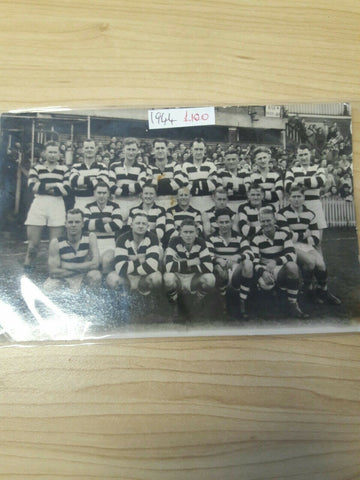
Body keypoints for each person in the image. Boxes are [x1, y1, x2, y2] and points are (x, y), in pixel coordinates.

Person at [276, 185, 341, 305]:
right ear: (289, 198)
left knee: (321, 264)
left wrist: (299, 235)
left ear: (304, 197)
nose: (296, 199)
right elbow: (287, 236)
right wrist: (306, 234)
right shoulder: (282, 213)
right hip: (290, 246)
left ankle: (323, 291)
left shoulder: (310, 214)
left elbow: (316, 238)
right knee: (310, 262)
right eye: (293, 196)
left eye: (299, 196)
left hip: (306, 245)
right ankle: (308, 290)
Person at [251, 207, 309, 319]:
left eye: (269, 220)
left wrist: (275, 261)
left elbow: (292, 255)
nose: (266, 223)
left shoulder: (283, 234)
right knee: (267, 286)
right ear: (259, 222)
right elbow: (254, 260)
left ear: (274, 220)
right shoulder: (255, 238)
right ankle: (273, 297)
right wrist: (263, 272)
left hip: (280, 268)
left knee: (292, 266)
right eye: (263, 221)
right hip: (266, 270)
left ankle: (293, 304)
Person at [24, 141, 70, 273]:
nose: (52, 155)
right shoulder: (36, 168)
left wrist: (43, 186)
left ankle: (52, 274)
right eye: (50, 152)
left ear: (59, 154)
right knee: (33, 246)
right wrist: (56, 185)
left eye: (55, 152)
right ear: (44, 153)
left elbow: (66, 190)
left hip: (57, 204)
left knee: (54, 245)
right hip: (39, 204)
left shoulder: (64, 169)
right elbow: (32, 187)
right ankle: (27, 273)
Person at [164, 219, 215, 317]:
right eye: (185, 232)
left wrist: (180, 263)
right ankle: (174, 305)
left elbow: (209, 267)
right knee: (168, 278)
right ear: (180, 233)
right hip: (177, 277)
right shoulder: (174, 241)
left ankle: (197, 302)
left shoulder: (200, 242)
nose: (188, 235)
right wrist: (191, 262)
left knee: (210, 278)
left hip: (193, 278)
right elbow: (169, 266)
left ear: (196, 233)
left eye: (191, 232)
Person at [43, 208, 101, 293]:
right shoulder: (56, 242)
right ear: (65, 224)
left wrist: (66, 265)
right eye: (70, 222)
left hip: (80, 276)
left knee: (95, 275)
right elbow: (53, 272)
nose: (73, 225)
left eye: (77, 222)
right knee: (50, 287)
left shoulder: (90, 237)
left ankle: (89, 304)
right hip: (64, 277)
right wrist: (85, 266)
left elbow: (95, 264)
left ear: (82, 224)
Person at [209, 209, 254, 317]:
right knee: (218, 268)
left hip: (235, 273)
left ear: (231, 223)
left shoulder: (239, 237)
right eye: (221, 222)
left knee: (248, 264)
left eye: (227, 222)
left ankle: (242, 302)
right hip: (220, 270)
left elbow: (250, 254)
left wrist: (239, 257)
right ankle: (223, 301)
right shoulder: (211, 238)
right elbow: (207, 256)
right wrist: (219, 260)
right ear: (216, 223)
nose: (224, 225)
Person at [107, 212, 162, 296]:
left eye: (144, 224)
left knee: (156, 278)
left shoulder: (153, 238)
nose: (140, 226)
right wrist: (141, 260)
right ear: (131, 225)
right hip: (127, 277)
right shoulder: (122, 239)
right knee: (112, 278)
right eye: (138, 223)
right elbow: (120, 268)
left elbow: (152, 265)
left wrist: (132, 261)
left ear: (147, 227)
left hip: (144, 277)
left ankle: (151, 302)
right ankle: (122, 300)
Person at [285, 144, 327, 235]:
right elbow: (288, 187)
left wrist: (298, 181)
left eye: (305, 154)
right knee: (299, 240)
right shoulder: (292, 170)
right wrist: (312, 181)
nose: (303, 158)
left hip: (315, 205)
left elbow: (321, 181)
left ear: (310, 154)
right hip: (298, 206)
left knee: (317, 242)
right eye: (300, 155)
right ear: (297, 156)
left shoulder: (318, 168)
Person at [83, 182, 124, 274]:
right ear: (94, 193)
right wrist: (103, 220)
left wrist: (94, 225)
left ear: (109, 194)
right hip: (93, 244)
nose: (101, 196)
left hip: (109, 244)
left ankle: (107, 284)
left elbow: (117, 225)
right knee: (93, 267)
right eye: (99, 193)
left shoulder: (114, 206)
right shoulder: (88, 207)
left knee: (107, 261)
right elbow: (85, 225)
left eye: (104, 193)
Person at [109, 137, 149, 215]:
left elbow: (141, 185)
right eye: (128, 149)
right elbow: (111, 186)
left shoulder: (142, 166)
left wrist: (122, 187)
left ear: (137, 151)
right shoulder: (114, 166)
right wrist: (128, 190)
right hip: (118, 203)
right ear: (124, 150)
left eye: (133, 150)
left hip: (136, 204)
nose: (131, 153)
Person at [175, 137, 217, 212]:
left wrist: (193, 184)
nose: (198, 152)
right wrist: (205, 182)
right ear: (191, 150)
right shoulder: (186, 166)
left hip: (209, 204)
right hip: (192, 204)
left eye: (201, 149)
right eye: (196, 149)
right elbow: (185, 186)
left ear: (204, 150)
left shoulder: (210, 165)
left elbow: (213, 185)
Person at [69, 138, 109, 211]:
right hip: (80, 202)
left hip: (96, 203)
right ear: (83, 149)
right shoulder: (76, 166)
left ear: (96, 149)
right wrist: (93, 180)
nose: (89, 150)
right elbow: (73, 182)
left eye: (91, 147)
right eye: (87, 148)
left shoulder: (102, 166)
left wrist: (82, 183)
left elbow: (102, 183)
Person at [148, 138, 180, 209]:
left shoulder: (175, 165)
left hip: (173, 202)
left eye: (162, 148)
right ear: (153, 150)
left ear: (167, 149)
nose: (160, 151)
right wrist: (169, 181)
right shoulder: (149, 167)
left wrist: (157, 184)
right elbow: (149, 185)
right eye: (157, 148)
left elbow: (179, 183)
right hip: (155, 203)